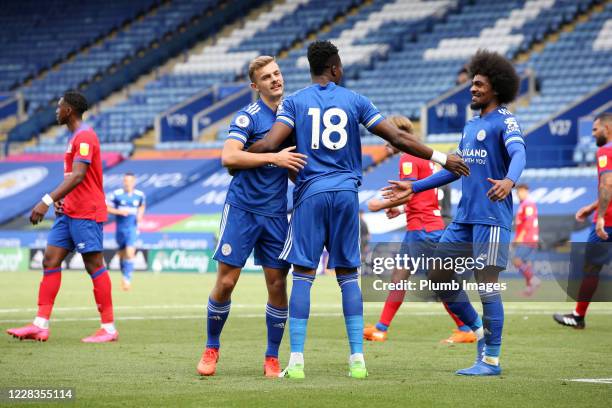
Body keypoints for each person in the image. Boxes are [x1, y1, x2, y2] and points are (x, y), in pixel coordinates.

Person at [248, 40, 468, 379]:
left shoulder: (294, 101)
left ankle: (296, 361)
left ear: (310, 69)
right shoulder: (356, 101)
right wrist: (442, 157)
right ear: (335, 68)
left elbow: (270, 144)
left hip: (310, 194)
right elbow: (398, 137)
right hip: (346, 195)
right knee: (348, 277)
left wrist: (241, 153)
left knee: (304, 277)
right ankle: (357, 360)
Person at [383, 49, 526, 376]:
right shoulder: (471, 125)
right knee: (438, 274)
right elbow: (454, 168)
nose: (472, 89)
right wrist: (414, 187)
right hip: (463, 219)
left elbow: (519, 152)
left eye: (479, 84)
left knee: (486, 283)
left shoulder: (505, 121)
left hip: (491, 218)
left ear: (496, 88)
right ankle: (476, 330)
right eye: (472, 84)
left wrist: (509, 180)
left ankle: (491, 359)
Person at [196, 56, 307, 377]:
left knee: (277, 284)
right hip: (242, 210)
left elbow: (292, 166)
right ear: (255, 85)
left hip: (275, 214)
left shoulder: (293, 119)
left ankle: (272, 357)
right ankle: (211, 348)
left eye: (277, 74)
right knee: (227, 282)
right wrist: (274, 156)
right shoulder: (248, 117)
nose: (275, 80)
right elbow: (228, 156)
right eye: (266, 77)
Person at [6, 91, 116, 343]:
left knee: (94, 265)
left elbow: (79, 175)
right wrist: (62, 200)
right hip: (68, 212)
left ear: (69, 110)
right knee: (50, 260)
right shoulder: (74, 138)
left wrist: (47, 200)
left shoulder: (85, 136)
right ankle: (40, 325)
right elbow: (72, 179)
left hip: (87, 211)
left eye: (59, 107)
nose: (56, 111)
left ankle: (108, 328)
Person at [364, 115, 476, 344]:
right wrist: (402, 211)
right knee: (400, 277)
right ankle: (381, 327)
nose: (386, 144)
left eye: (387, 138)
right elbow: (424, 196)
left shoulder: (408, 157)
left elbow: (410, 190)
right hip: (422, 225)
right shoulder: (425, 156)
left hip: (424, 230)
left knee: (441, 282)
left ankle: (467, 327)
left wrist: (381, 205)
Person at [554, 112, 612, 329]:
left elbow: (607, 184)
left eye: (595, 129)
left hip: (608, 222)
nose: (593, 134)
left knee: (591, 269)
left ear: (606, 129)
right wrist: (592, 207)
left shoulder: (605, 150)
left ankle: (578, 316)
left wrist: (600, 218)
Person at [106, 173, 145, 291]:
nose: (127, 183)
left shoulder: (139, 195)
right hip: (120, 229)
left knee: (130, 251)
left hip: (132, 228)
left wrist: (140, 215)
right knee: (122, 254)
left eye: (129, 181)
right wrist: (119, 212)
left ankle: (127, 280)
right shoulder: (117, 195)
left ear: (134, 182)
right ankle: (124, 275)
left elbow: (142, 206)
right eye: (125, 181)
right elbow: (107, 207)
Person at [512, 183, 541, 296]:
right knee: (526, 264)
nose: (518, 195)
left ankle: (534, 279)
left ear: (525, 191)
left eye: (519, 192)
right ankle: (529, 288)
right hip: (529, 238)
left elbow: (528, 223)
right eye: (517, 192)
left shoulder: (528, 204)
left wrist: (519, 238)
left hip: (527, 238)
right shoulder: (524, 204)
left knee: (516, 260)